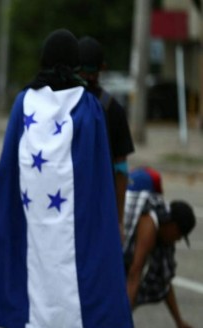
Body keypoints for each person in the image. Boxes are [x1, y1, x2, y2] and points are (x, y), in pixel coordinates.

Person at [0, 29, 133, 328]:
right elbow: (96, 182)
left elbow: (7, 173)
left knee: (21, 323)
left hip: (28, 237)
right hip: (69, 245)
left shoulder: (23, 102)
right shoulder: (88, 107)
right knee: (67, 326)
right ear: (75, 64)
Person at [112, 167, 198, 328]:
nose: (178, 240)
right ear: (172, 226)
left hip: (118, 250)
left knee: (150, 276)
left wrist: (179, 324)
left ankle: (114, 324)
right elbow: (135, 273)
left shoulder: (163, 232)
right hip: (102, 239)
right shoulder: (150, 224)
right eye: (180, 234)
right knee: (129, 275)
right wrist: (123, 324)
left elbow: (164, 281)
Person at [78, 36, 135, 240]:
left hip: (63, 206)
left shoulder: (60, 104)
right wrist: (119, 220)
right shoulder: (113, 108)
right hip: (101, 208)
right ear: (103, 67)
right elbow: (121, 170)